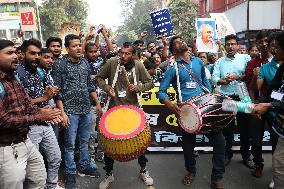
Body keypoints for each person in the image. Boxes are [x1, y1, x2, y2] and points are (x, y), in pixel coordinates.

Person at [158, 36, 225, 189]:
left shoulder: (198, 62)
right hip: (187, 112)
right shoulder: (172, 68)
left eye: (182, 40)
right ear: (173, 51)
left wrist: (210, 98)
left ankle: (217, 176)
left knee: (220, 142)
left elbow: (205, 82)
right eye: (176, 43)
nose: (181, 42)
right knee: (188, 147)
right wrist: (171, 105)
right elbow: (161, 92)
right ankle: (191, 171)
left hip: (206, 109)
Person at [0, 39, 62, 189]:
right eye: (9, 53)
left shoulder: (12, 78)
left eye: (15, 52)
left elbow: (26, 104)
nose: (15, 56)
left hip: (24, 140)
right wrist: (39, 116)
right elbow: (3, 120)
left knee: (39, 177)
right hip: (6, 146)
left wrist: (43, 110)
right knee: (14, 184)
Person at [96, 42, 154, 189]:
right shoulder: (112, 62)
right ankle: (108, 174)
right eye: (121, 52)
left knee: (140, 144)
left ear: (133, 55)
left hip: (133, 110)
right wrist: (107, 87)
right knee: (109, 144)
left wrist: (138, 87)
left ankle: (143, 170)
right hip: (113, 108)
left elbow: (150, 83)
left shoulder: (139, 65)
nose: (123, 56)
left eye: (127, 54)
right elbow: (99, 78)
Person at [52, 34, 101, 189]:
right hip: (70, 111)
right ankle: (70, 173)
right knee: (69, 145)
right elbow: (57, 91)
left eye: (80, 45)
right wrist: (62, 113)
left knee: (84, 141)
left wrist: (97, 103)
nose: (79, 48)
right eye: (74, 46)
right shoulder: (60, 64)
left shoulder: (85, 62)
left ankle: (84, 165)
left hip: (86, 108)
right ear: (67, 48)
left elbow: (89, 84)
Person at [212, 34, 252, 168]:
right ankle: (227, 154)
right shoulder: (219, 62)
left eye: (233, 44)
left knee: (245, 128)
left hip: (243, 97)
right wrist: (224, 81)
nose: (230, 47)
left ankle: (246, 155)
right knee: (226, 129)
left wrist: (237, 77)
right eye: (228, 44)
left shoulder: (246, 58)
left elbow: (250, 74)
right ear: (225, 46)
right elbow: (214, 78)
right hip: (227, 98)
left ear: (237, 46)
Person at [254, 31, 284, 189]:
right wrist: (259, 104)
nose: (274, 51)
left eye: (277, 47)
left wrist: (269, 106)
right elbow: (271, 91)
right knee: (279, 164)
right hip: (281, 128)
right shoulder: (281, 68)